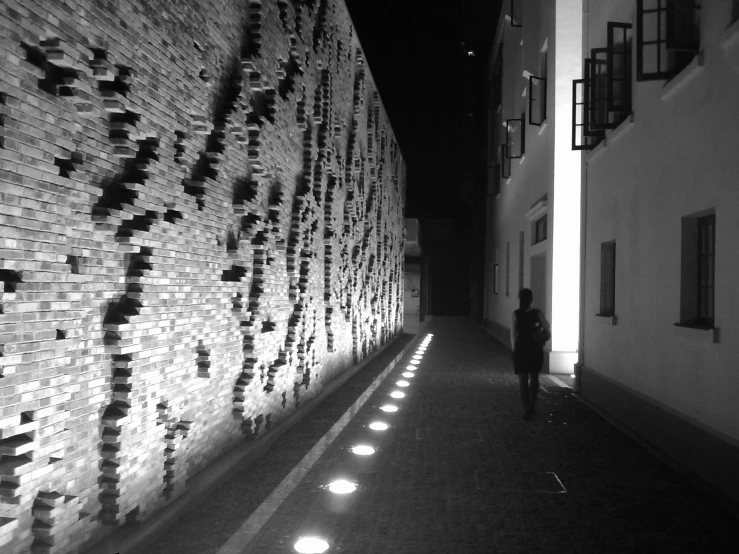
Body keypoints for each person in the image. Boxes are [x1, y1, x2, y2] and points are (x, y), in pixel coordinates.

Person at [510, 288, 550, 420]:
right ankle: (532, 405)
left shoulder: (515, 314)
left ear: (519, 298)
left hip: (521, 349)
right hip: (535, 348)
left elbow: (513, 335)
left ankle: (526, 407)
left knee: (523, 380)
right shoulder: (537, 313)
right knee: (534, 377)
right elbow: (547, 326)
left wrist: (514, 350)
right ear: (531, 299)